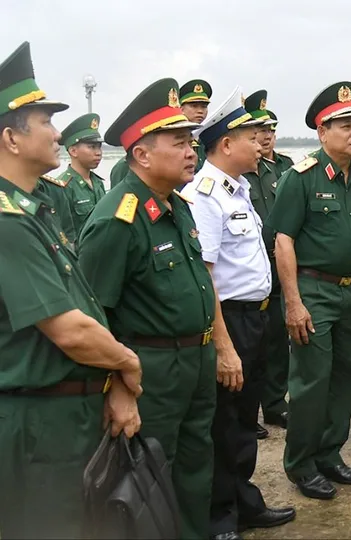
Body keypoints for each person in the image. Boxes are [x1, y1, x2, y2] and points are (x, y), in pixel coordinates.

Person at [0, 41, 141, 539]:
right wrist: (128, 364)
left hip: (68, 410)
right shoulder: (7, 222)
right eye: (45, 123)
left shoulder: (33, 208)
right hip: (39, 422)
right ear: (11, 139)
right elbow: (70, 328)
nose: (58, 134)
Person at [77, 77, 218, 540]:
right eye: (178, 143)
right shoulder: (118, 219)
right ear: (141, 154)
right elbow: (96, 314)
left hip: (196, 360)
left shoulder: (176, 206)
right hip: (151, 369)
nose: (190, 152)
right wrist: (115, 386)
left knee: (196, 465)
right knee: (153, 474)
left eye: (190, 143)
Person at [181, 86, 295, 538]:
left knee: (245, 418)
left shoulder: (239, 188)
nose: (259, 141)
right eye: (250, 135)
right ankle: (219, 516)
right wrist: (224, 345)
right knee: (225, 422)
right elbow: (206, 277)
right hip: (230, 319)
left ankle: (244, 502)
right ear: (226, 144)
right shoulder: (205, 195)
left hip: (257, 317)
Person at [270, 81, 351, 500]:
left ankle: (330, 454)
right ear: (323, 133)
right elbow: (283, 240)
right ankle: (301, 464)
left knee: (343, 378)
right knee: (310, 382)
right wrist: (293, 302)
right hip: (313, 292)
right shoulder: (299, 178)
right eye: (344, 125)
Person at [242, 91, 288, 439]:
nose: (266, 135)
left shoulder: (278, 170)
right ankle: (249, 409)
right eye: (259, 129)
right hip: (249, 268)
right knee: (252, 343)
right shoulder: (236, 177)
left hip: (278, 263)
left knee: (277, 336)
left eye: (270, 128)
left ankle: (275, 404)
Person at [109, 78, 213, 188]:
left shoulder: (206, 145)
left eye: (203, 106)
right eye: (179, 143)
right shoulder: (125, 167)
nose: (191, 154)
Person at [57, 112, 105, 244]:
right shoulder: (63, 187)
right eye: (92, 147)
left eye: (99, 147)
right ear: (73, 151)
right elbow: (65, 237)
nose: (98, 153)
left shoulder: (98, 183)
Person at [179, 79, 213, 172]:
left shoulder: (210, 139)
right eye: (194, 106)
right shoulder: (174, 139)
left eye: (204, 106)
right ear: (181, 109)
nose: (200, 111)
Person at [263, 110, 294, 178]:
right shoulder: (252, 167)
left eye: (270, 131)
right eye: (263, 131)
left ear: (274, 137)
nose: (268, 137)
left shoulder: (287, 162)